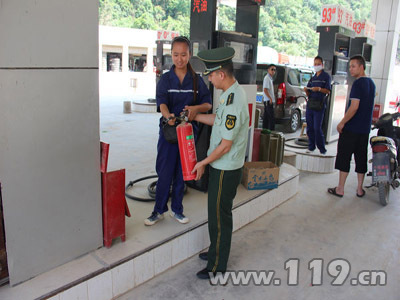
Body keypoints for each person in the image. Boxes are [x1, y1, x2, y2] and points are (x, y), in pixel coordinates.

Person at [191, 47, 250, 279]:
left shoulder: (235, 99)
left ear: (221, 75)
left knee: (220, 216)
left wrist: (203, 162)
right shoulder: (228, 93)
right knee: (215, 213)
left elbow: (226, 145)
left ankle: (217, 266)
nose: (209, 79)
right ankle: (215, 250)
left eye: (210, 75)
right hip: (221, 165)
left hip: (226, 167)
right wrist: (195, 115)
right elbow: (218, 120)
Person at [144, 36, 212, 226]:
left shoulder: (197, 81)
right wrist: (168, 116)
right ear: (171, 55)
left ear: (190, 54)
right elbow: (162, 102)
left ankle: (177, 210)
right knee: (164, 171)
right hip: (169, 132)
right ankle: (158, 211)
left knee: (183, 172)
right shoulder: (166, 79)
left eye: (183, 54)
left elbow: (207, 104)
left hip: (188, 134)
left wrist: (195, 109)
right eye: (176, 54)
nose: (179, 59)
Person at [328, 55, 376, 198]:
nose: (350, 69)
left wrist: (342, 122)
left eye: (353, 66)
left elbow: (354, 107)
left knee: (344, 157)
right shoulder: (371, 83)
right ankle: (359, 189)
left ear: (362, 67)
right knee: (361, 158)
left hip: (352, 129)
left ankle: (340, 188)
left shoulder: (358, 84)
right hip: (364, 130)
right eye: (350, 66)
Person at [304, 56, 331, 155]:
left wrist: (319, 89)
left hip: (319, 105)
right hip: (310, 104)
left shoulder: (326, 77)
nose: (316, 66)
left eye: (318, 64)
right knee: (310, 127)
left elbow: (328, 91)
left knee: (317, 127)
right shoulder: (313, 77)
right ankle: (311, 146)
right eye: (315, 64)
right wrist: (307, 90)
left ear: (322, 65)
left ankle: (322, 149)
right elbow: (309, 91)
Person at [262, 64, 276, 130]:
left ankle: (265, 131)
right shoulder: (267, 78)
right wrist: (270, 98)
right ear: (268, 70)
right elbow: (265, 89)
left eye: (274, 70)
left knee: (266, 118)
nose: (273, 71)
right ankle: (271, 132)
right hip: (268, 101)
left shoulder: (270, 78)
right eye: (272, 69)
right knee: (271, 118)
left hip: (269, 100)